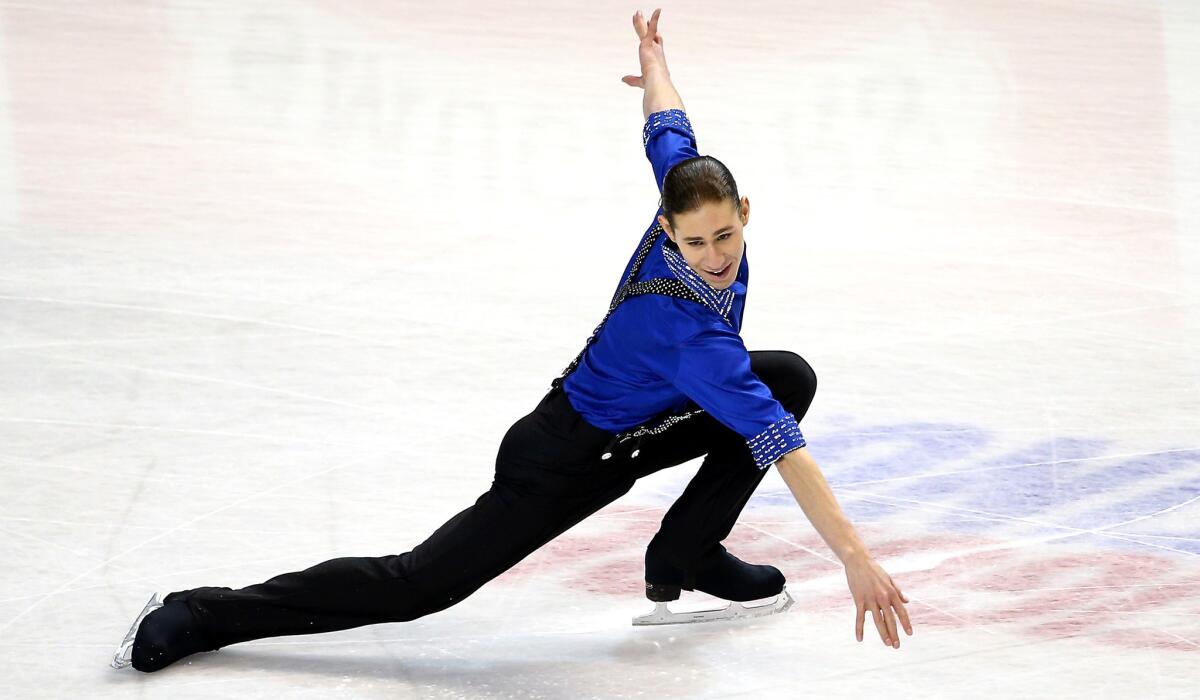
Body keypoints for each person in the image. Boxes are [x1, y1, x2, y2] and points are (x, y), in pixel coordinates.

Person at [113, 7, 912, 673]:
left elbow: (667, 127)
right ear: (668, 231)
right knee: (420, 585)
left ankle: (686, 556)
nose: (715, 256)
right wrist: (853, 554)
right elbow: (786, 449)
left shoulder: (689, 191)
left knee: (789, 376)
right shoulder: (686, 330)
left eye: (726, 235)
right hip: (560, 460)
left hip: (639, 426)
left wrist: (653, 58)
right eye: (696, 243)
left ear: (743, 208)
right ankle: (202, 615)